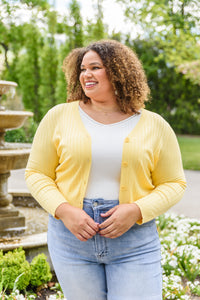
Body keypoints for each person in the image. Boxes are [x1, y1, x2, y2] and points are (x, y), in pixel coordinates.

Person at [25, 39, 186, 300]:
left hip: (134, 240)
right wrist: (65, 211)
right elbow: (36, 173)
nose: (86, 74)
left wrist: (136, 210)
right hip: (72, 239)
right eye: (82, 69)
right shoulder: (58, 116)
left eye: (95, 67)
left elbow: (175, 182)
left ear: (118, 71)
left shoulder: (154, 125)